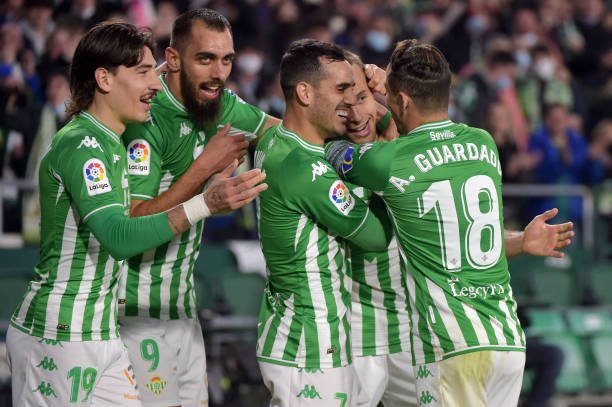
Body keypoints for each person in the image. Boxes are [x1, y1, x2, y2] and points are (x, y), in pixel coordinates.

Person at [6, 21, 267, 407]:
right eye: (144, 73)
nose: (155, 85)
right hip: (59, 331)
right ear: (104, 80)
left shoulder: (111, 142)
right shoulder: (82, 145)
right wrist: (205, 202)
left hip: (101, 331)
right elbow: (119, 236)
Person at [343, 51, 574, 407]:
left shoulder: (389, 160)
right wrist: (520, 241)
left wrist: (370, 101)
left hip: (453, 346)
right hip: (506, 341)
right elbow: (458, 233)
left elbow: (328, 148)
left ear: (401, 99)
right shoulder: (484, 143)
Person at [117, 8, 279, 406]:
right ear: (173, 59)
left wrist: (363, 122)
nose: (219, 73)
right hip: (135, 309)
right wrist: (205, 172)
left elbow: (287, 137)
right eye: (205, 59)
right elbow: (134, 220)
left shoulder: (218, 102)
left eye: (226, 60)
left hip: (183, 308)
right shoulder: (145, 114)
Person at [254, 39, 392, 407]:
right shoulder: (305, 169)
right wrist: (392, 181)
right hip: (308, 342)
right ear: (304, 92)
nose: (348, 103)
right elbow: (377, 237)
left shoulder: (277, 140)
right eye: (340, 89)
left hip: (303, 335)